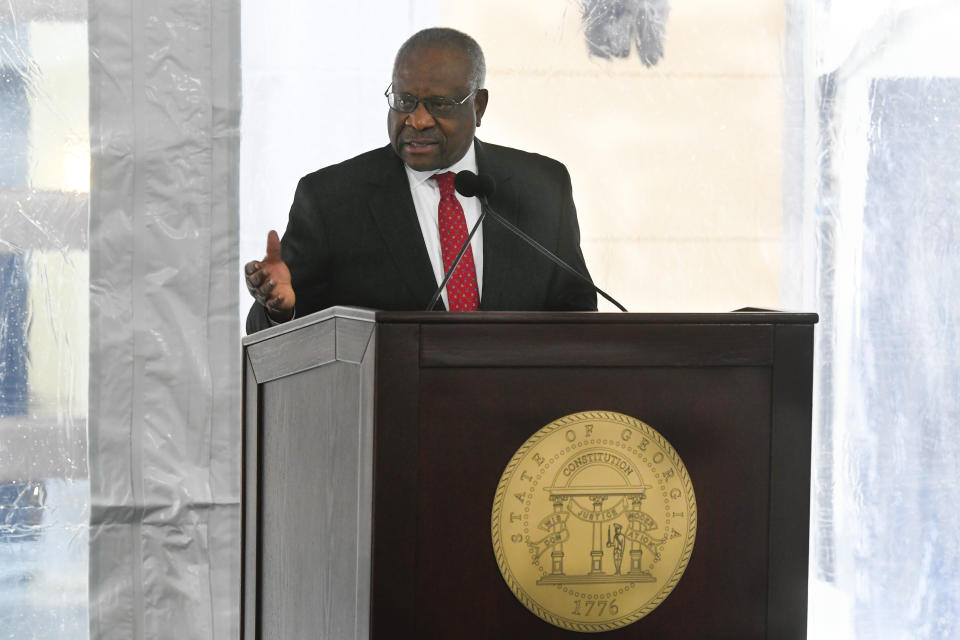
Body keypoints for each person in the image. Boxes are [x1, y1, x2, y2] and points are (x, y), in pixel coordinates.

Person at [244, 27, 597, 334]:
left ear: (479, 106)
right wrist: (279, 309)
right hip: (389, 406)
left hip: (521, 406)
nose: (418, 120)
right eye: (405, 101)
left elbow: (579, 314)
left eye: (439, 104)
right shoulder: (331, 200)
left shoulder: (542, 186)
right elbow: (274, 331)